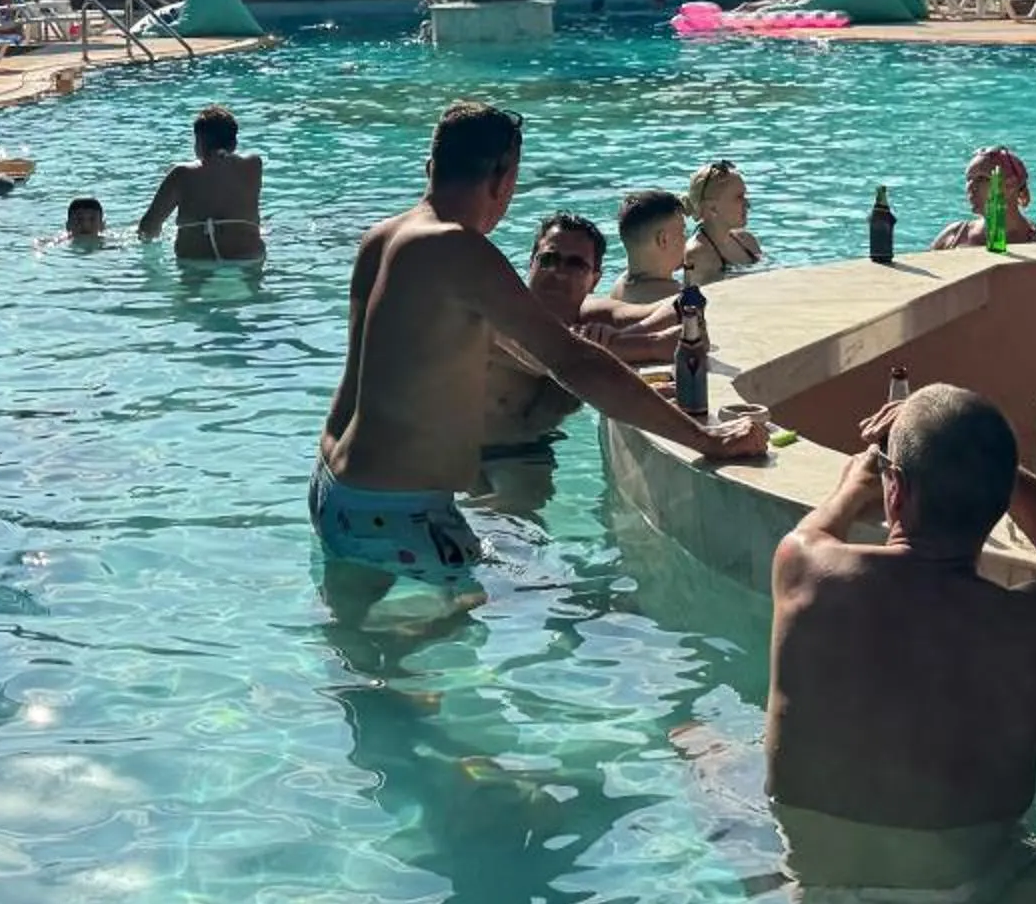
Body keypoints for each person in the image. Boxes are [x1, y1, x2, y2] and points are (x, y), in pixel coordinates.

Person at [315, 104, 769, 605]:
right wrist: (706, 439)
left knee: (366, 652)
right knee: (490, 629)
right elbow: (574, 362)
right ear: (502, 177)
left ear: (433, 165)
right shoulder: (458, 249)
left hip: (335, 489)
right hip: (397, 513)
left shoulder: (383, 237)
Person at [768, 386, 1036, 904]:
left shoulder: (805, 573)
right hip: (966, 898)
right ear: (997, 500)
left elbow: (818, 527)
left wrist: (864, 476)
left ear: (896, 493)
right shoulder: (1032, 627)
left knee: (702, 744)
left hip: (815, 883)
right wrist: (1002, 474)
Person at [484, 214, 680, 456]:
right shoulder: (498, 313)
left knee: (531, 489)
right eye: (548, 259)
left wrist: (631, 331)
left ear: (594, 280)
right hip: (458, 454)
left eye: (575, 264)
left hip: (532, 452)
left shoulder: (588, 318)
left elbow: (685, 305)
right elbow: (550, 357)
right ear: (530, 263)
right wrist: (644, 345)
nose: (559, 272)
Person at [139, 104, 265, 262]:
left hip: (196, 261)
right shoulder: (253, 165)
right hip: (246, 257)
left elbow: (148, 228)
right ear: (234, 143)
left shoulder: (181, 174)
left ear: (198, 143)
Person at [927, 146, 1036, 251]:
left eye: (981, 179)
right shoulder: (955, 235)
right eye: (969, 179)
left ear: (1010, 185)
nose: (970, 187)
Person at [682, 160, 765, 285]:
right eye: (739, 197)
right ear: (712, 208)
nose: (747, 204)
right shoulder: (699, 254)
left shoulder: (747, 241)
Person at [613, 189, 691, 304]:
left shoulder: (618, 288)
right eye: (682, 231)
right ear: (663, 240)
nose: (685, 239)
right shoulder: (677, 297)